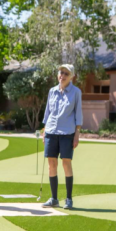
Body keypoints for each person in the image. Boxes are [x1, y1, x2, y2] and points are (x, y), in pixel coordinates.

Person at [41, 63, 83, 209]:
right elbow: (48, 112)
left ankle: (69, 199)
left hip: (67, 133)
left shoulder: (76, 92)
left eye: (66, 73)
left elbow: (78, 114)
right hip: (51, 132)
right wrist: (45, 130)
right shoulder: (52, 91)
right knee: (52, 164)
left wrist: (77, 134)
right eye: (61, 72)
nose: (62, 76)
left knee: (66, 163)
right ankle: (54, 198)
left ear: (71, 77)